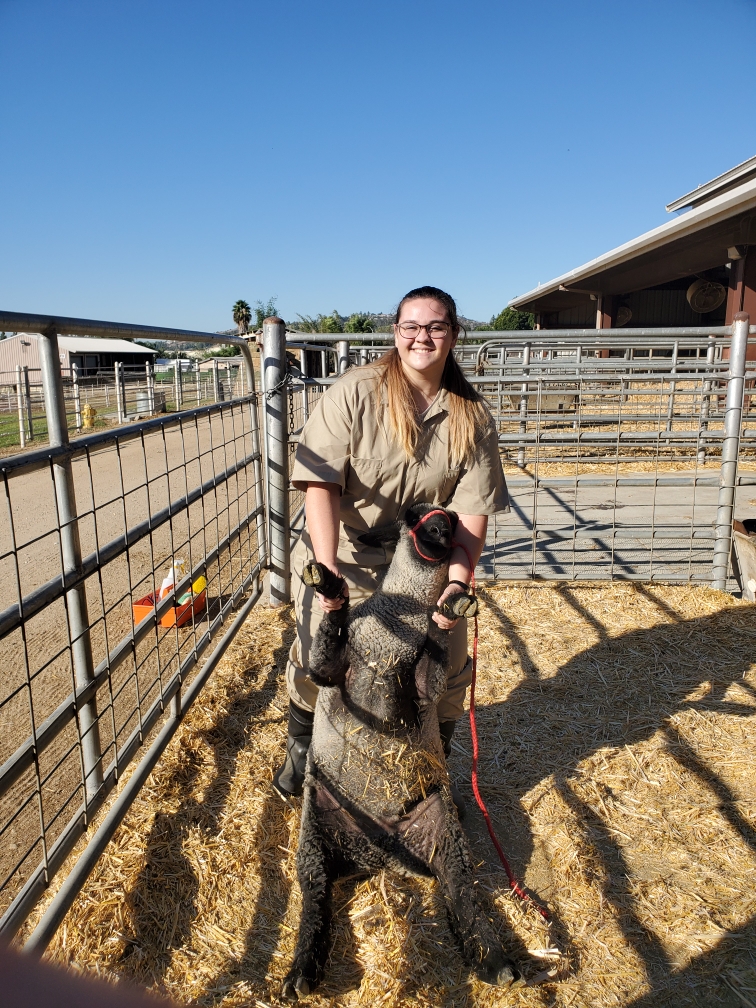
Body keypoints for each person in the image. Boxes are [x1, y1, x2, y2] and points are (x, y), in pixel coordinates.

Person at [273, 285, 509, 802]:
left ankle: (430, 768)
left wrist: (456, 585)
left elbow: (472, 511)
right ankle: (303, 747)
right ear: (396, 332)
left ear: (453, 334)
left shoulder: (474, 417)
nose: (422, 336)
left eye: (436, 326)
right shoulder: (354, 393)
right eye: (411, 326)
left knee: (446, 666)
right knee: (323, 652)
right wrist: (325, 568)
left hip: (424, 560)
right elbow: (320, 484)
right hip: (347, 549)